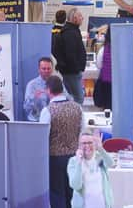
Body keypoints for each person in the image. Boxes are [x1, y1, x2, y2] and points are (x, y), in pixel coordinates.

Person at [39, 75, 82, 208]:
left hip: (54, 159)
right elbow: (82, 133)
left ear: (48, 90)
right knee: (72, 193)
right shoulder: (77, 108)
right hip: (74, 157)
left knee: (57, 195)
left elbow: (42, 138)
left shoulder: (47, 111)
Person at [68, 132, 115, 208]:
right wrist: (79, 163)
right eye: (84, 143)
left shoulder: (100, 157)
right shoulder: (73, 161)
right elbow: (76, 185)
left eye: (90, 142)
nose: (87, 146)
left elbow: (111, 164)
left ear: (94, 144)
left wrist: (100, 149)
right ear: (79, 145)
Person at [52, 8, 87, 104]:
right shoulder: (70, 33)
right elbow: (70, 54)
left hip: (70, 71)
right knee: (78, 97)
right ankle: (76, 118)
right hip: (72, 72)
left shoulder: (72, 31)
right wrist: (76, 69)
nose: (82, 18)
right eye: (80, 16)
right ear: (74, 18)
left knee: (73, 96)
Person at [24, 57, 69, 122]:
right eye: (44, 69)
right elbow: (26, 108)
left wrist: (61, 96)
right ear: (39, 70)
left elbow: (68, 98)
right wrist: (34, 98)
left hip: (55, 121)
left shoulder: (58, 82)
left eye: (49, 68)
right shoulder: (31, 85)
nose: (46, 71)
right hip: (37, 120)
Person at [94, 26, 113, 109]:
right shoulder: (123, 49)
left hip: (106, 81)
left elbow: (98, 65)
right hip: (119, 83)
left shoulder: (103, 49)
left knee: (107, 107)